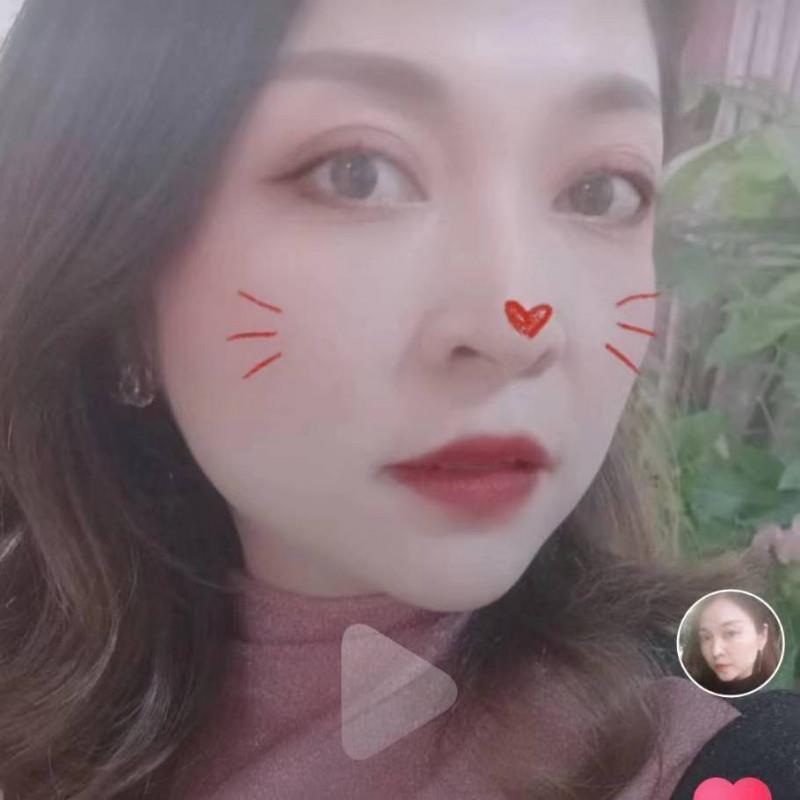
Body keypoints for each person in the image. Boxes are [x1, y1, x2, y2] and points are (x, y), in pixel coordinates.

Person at [0, 1, 798, 799]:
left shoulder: (717, 763)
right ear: (122, 286)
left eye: (600, 191)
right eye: (358, 172)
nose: (517, 326)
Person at [680, 591, 782, 697]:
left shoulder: (778, 697)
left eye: (731, 633)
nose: (716, 651)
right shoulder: (689, 692)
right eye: (706, 637)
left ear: (762, 636)